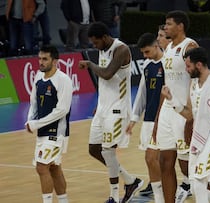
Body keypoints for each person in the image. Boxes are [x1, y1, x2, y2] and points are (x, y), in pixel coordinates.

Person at [161, 47, 210, 203]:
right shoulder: (194, 85)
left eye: (188, 66)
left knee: (199, 182)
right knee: (194, 184)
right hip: (198, 139)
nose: (186, 69)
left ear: (198, 65)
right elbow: (189, 115)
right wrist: (171, 100)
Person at [78, 22, 143, 203]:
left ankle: (113, 196)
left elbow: (106, 74)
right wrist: (100, 102)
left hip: (118, 109)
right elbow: (107, 83)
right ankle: (130, 180)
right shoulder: (102, 49)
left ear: (105, 37)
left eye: (95, 42)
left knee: (108, 150)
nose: (94, 45)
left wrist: (90, 64)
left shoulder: (120, 50)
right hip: (103, 108)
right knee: (94, 149)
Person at [155, 10, 198, 203]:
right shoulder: (168, 48)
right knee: (164, 161)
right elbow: (166, 85)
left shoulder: (189, 46)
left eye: (169, 24)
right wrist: (157, 120)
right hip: (167, 111)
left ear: (180, 26)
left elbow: (196, 82)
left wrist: (191, 116)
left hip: (183, 111)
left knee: (188, 166)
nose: (165, 27)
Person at [25, 45, 72, 203]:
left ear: (55, 61)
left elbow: (62, 110)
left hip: (57, 132)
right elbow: (34, 102)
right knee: (53, 168)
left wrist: (37, 124)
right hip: (42, 131)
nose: (41, 62)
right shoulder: (38, 77)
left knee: (41, 167)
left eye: (45, 59)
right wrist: (30, 119)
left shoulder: (63, 80)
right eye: (39, 58)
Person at [125, 32, 165, 203]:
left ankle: (185, 185)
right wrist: (134, 119)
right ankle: (160, 193)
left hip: (166, 118)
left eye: (147, 51)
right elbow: (142, 94)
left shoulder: (168, 64)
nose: (144, 56)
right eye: (142, 53)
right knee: (152, 159)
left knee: (158, 158)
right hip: (149, 118)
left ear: (157, 45)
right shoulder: (147, 66)